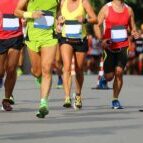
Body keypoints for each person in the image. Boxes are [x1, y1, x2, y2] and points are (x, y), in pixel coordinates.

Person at [15, 0, 58, 118]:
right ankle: (38, 77)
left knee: (47, 69)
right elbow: (16, 11)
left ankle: (43, 103)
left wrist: (59, 22)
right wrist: (30, 14)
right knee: (37, 71)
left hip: (50, 37)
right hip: (33, 38)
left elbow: (58, 12)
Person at [94, 0, 139, 109]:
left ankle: (115, 99)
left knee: (119, 72)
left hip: (123, 46)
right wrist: (101, 40)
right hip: (109, 47)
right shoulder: (106, 8)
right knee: (110, 77)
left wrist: (134, 32)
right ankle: (105, 78)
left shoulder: (129, 10)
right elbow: (96, 25)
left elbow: (132, 27)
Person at [57, 0, 97, 109]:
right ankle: (67, 97)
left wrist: (85, 20)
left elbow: (95, 19)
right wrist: (58, 21)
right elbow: (58, 19)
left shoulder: (84, 2)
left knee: (79, 69)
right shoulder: (63, 2)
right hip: (66, 39)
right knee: (67, 67)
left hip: (80, 40)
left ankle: (78, 95)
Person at [0, 0, 24, 111]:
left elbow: (27, 11)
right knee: (0, 72)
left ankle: (6, 98)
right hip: (1, 37)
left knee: (11, 68)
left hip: (16, 36)